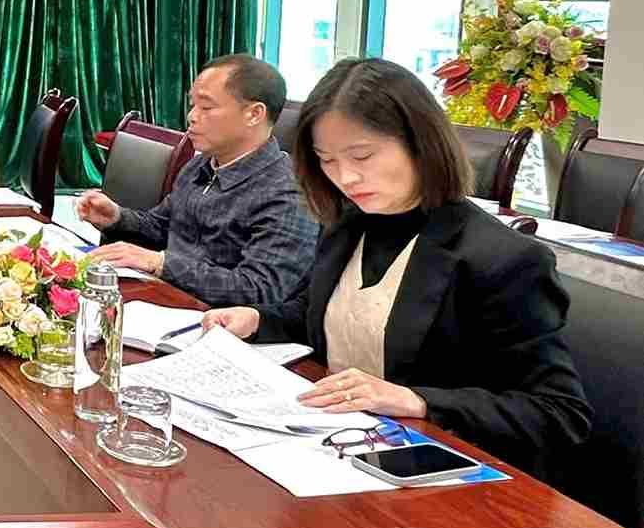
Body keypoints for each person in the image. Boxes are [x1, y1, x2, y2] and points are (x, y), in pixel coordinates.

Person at [201, 57, 591, 478]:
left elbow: (559, 414)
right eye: (326, 161)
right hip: (337, 450)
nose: (345, 178)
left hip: (445, 477)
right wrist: (257, 319)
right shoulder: (349, 225)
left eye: (362, 155)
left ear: (420, 142)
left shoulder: (502, 259)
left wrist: (418, 400)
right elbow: (325, 314)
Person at [78, 54, 317, 308]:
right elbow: (162, 226)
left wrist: (160, 264)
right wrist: (116, 217)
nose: (191, 116)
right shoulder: (201, 164)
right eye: (192, 105)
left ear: (254, 114)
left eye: (206, 107)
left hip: (220, 326)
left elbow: (259, 289)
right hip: (167, 300)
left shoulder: (288, 192)